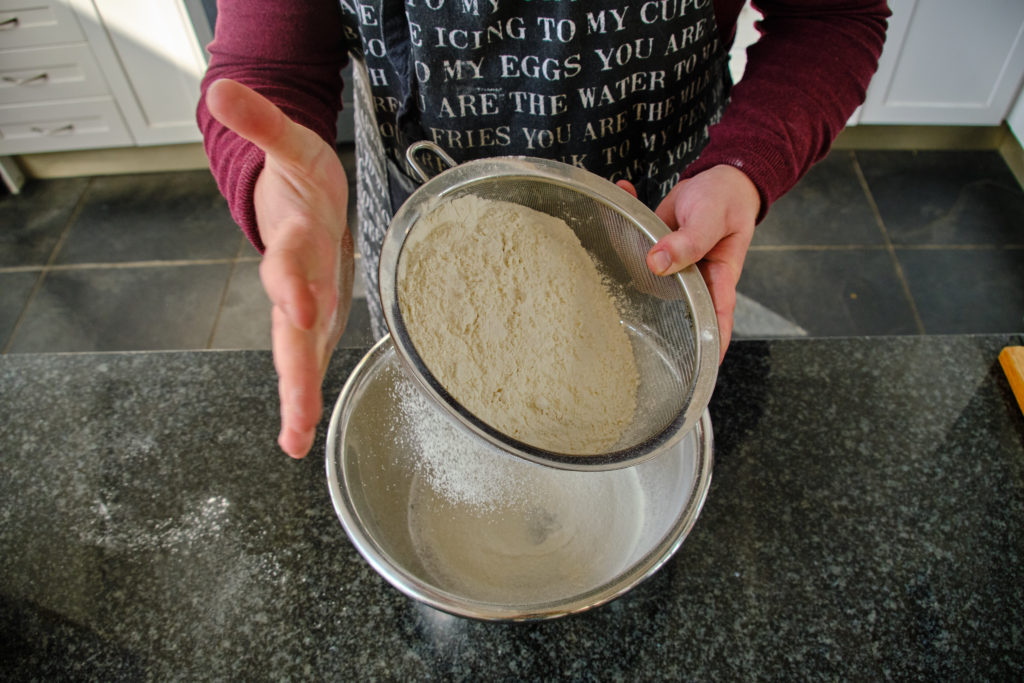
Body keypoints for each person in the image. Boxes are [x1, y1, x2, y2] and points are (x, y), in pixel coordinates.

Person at [198, 0, 889, 459]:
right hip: (435, 239)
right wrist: (285, 195)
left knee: (640, 429)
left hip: (663, 226)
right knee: (462, 440)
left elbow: (834, 14)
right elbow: (270, 65)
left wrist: (743, 165)